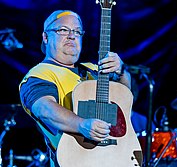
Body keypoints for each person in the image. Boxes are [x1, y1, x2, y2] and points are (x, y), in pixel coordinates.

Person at [19, 10, 132, 167]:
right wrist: (81, 125)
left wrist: (121, 72)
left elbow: (125, 101)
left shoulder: (94, 69)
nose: (71, 36)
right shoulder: (39, 75)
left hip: (114, 158)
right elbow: (44, 109)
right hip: (74, 160)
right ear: (45, 37)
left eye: (77, 31)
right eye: (63, 30)